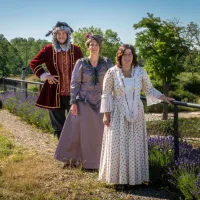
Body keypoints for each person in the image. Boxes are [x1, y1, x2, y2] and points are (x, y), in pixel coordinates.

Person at [99, 44, 174, 185]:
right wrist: (106, 115)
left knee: (134, 145)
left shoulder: (141, 72)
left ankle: (134, 179)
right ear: (119, 57)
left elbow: (150, 90)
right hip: (118, 113)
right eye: (125, 55)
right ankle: (118, 180)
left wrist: (165, 98)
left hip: (137, 113)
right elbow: (106, 94)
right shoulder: (112, 72)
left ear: (133, 56)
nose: (128, 57)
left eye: (130, 54)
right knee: (118, 144)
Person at [54, 33, 113, 169]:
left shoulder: (107, 63)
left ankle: (99, 163)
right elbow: (74, 83)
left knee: (100, 133)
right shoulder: (81, 62)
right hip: (83, 102)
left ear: (100, 47)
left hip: (101, 102)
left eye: (96, 45)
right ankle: (72, 160)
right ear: (88, 47)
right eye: (91, 45)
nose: (94, 47)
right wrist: (73, 101)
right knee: (77, 132)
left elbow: (113, 80)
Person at [30, 21, 83, 139]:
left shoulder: (76, 50)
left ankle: (74, 150)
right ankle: (62, 152)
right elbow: (34, 63)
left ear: (68, 35)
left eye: (64, 33)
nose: (62, 36)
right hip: (54, 93)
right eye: (59, 33)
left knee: (75, 122)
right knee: (59, 125)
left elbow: (83, 69)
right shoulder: (48, 49)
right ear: (55, 35)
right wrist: (44, 75)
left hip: (74, 94)